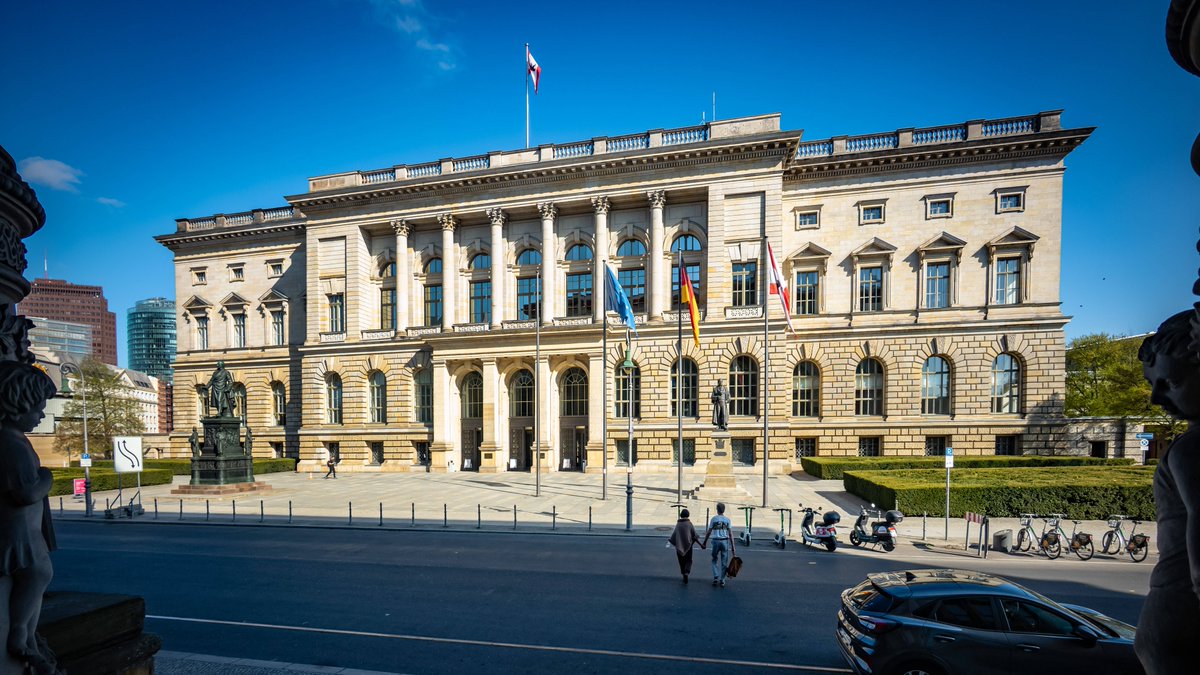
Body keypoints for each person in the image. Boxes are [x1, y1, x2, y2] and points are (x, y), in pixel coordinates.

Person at [1135, 308, 1200, 674]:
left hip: (1175, 616)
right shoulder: (1188, 447)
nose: (1156, 400)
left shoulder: (1191, 449)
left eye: (1170, 383)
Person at [0, 362, 60, 673]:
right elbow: (25, 492)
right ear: (15, 405)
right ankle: (21, 634)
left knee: (39, 575)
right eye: (37, 410)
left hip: (28, 529)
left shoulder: (15, 441)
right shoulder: (12, 445)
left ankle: (27, 635)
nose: (40, 416)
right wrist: (47, 478)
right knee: (36, 574)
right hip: (21, 532)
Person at [702, 502, 736, 587]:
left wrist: (704, 542)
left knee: (714, 559)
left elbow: (709, 532)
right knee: (724, 561)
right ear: (724, 510)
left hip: (716, 541)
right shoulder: (727, 520)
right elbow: (731, 534)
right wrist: (733, 546)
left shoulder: (714, 519)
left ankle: (716, 576)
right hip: (724, 541)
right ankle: (722, 580)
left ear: (717, 510)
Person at [668, 509, 704, 584]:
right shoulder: (689, 524)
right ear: (688, 515)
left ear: (681, 515)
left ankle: (683, 573)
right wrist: (701, 545)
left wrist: (674, 541)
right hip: (689, 547)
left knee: (681, 561)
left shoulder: (678, 524)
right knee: (689, 560)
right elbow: (694, 536)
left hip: (679, 546)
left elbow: (674, 536)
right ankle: (687, 572)